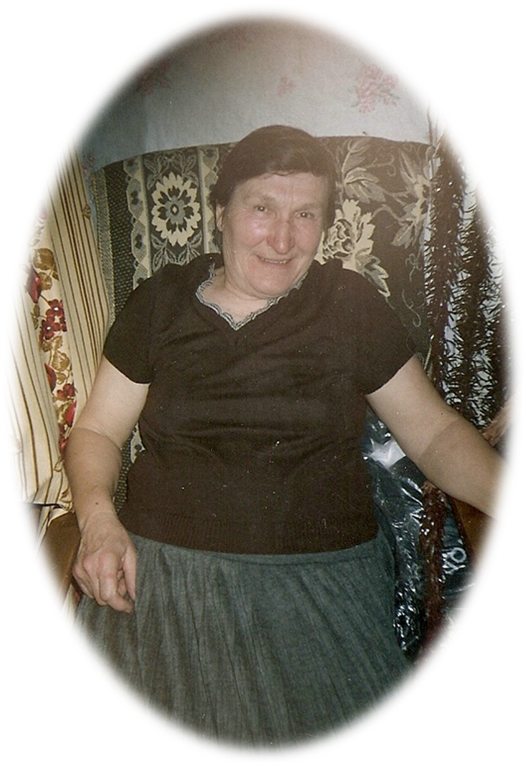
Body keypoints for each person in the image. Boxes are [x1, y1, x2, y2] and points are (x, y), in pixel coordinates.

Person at [67, 125, 514, 761]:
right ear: (221, 211)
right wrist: (97, 522)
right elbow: (97, 430)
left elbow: (434, 432)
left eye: (306, 215)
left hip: (318, 584)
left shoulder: (348, 304)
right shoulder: (161, 302)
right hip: (163, 577)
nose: (283, 240)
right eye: (262, 208)